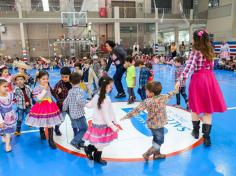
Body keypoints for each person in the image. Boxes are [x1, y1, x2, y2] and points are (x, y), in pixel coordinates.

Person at [178, 29, 227, 146]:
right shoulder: (210, 50)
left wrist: (180, 80)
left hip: (198, 81)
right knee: (208, 111)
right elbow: (211, 67)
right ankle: (206, 137)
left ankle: (195, 131)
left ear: (195, 39)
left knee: (194, 107)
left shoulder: (195, 51)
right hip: (210, 80)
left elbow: (189, 67)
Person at [121, 81, 179, 161]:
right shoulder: (164, 97)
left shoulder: (147, 101)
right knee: (159, 141)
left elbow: (136, 110)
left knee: (156, 139)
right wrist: (176, 88)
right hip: (159, 125)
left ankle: (157, 154)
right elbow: (171, 93)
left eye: (147, 90)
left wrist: (126, 116)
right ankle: (147, 154)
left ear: (151, 93)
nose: (146, 92)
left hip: (152, 124)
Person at [83, 76, 119, 165]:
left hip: (97, 123)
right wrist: (112, 126)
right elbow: (105, 114)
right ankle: (95, 156)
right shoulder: (104, 99)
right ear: (106, 86)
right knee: (101, 143)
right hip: (103, 124)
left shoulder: (97, 95)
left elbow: (89, 105)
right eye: (111, 86)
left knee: (99, 142)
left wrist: (83, 102)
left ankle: (90, 151)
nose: (112, 88)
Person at [25, 70, 64, 149]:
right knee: (41, 120)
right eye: (43, 79)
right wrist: (45, 89)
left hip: (50, 106)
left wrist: (57, 91)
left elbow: (50, 94)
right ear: (39, 79)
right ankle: (41, 131)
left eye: (47, 78)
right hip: (41, 106)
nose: (46, 80)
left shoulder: (48, 86)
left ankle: (51, 140)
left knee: (50, 123)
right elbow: (38, 98)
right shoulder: (37, 88)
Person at [63, 72, 87, 150]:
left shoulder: (70, 91)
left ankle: (80, 142)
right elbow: (79, 101)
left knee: (81, 129)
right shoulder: (80, 90)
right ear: (80, 81)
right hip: (79, 114)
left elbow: (66, 101)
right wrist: (86, 103)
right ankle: (75, 141)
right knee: (84, 129)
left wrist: (64, 108)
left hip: (72, 114)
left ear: (70, 82)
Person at [53, 67, 72, 136]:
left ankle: (75, 130)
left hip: (71, 106)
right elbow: (54, 92)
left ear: (70, 75)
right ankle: (57, 128)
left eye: (66, 77)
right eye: (62, 77)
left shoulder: (73, 83)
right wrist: (59, 97)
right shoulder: (59, 84)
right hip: (62, 105)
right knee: (61, 119)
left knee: (73, 119)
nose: (64, 79)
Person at [0, 79, 17, 152]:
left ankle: (7, 145)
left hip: (9, 116)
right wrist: (1, 121)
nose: (7, 88)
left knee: (8, 131)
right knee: (2, 130)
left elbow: (14, 97)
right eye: (4, 86)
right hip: (1, 117)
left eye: (7, 86)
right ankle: (3, 136)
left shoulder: (10, 94)